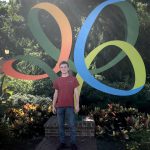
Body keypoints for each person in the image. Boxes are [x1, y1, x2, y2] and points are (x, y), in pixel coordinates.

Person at [52, 61, 80, 150]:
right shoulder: (57, 80)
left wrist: (77, 105)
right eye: (62, 67)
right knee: (60, 126)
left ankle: (73, 144)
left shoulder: (73, 79)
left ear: (68, 68)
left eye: (65, 67)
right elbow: (55, 94)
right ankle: (62, 143)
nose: (63, 68)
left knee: (72, 125)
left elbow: (76, 93)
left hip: (70, 106)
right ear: (60, 69)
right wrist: (53, 105)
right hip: (59, 106)